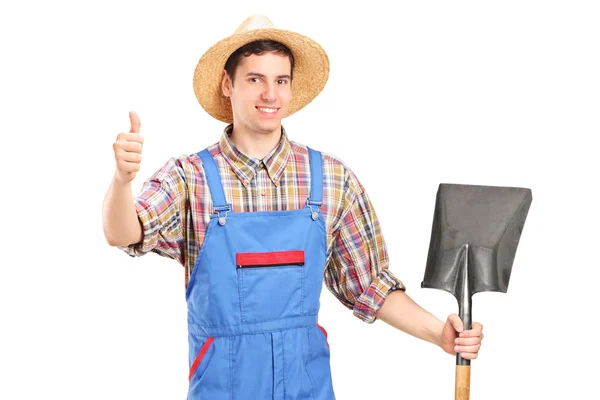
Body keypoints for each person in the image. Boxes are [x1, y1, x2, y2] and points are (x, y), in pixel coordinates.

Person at [102, 14, 484, 399]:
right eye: (255, 79)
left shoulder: (332, 180)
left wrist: (440, 334)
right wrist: (122, 180)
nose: (270, 94)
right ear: (226, 84)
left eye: (280, 81)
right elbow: (124, 232)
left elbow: (370, 284)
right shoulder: (191, 178)